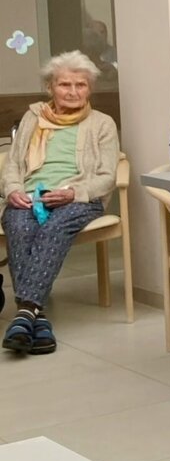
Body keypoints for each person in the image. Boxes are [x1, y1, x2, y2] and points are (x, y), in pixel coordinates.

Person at [1, 52, 120, 355]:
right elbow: (12, 163)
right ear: (50, 87)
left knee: (53, 228)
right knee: (18, 225)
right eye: (65, 84)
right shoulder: (32, 118)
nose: (73, 91)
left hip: (78, 197)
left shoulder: (102, 123)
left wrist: (73, 192)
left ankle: (26, 310)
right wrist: (13, 189)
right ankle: (36, 320)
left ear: (90, 89)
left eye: (81, 85)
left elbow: (107, 177)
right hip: (31, 195)